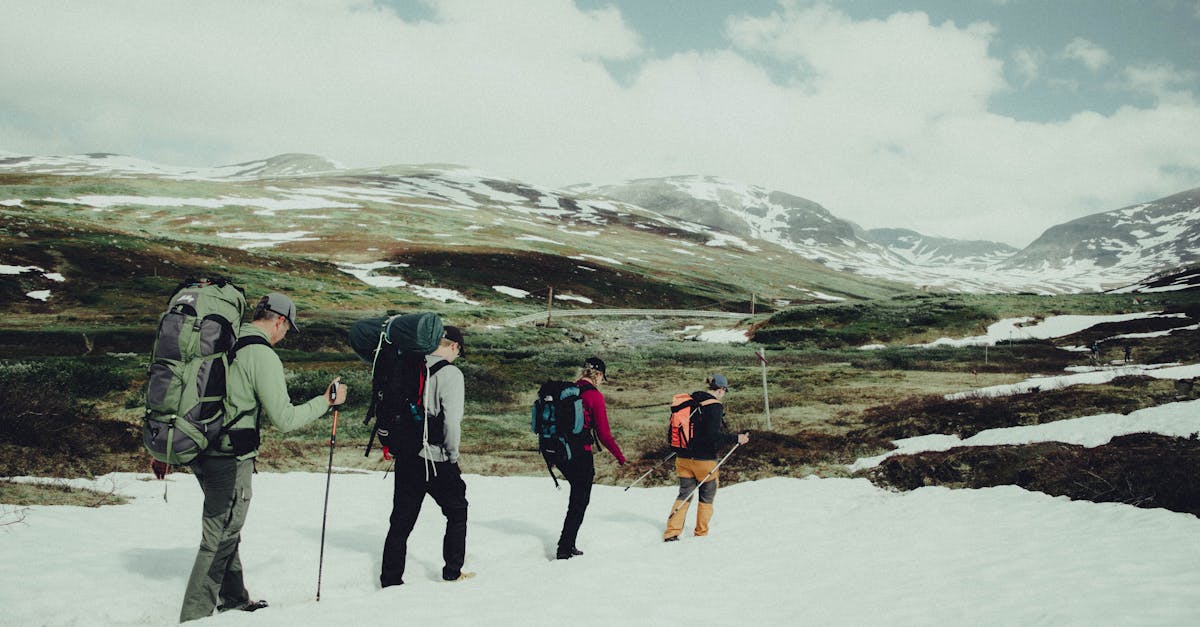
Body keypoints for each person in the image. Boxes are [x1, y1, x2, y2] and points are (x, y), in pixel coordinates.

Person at [180, 292, 347, 622]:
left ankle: (235, 599)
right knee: (219, 536)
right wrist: (325, 401)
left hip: (200, 448)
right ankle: (194, 617)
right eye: (288, 329)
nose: (285, 336)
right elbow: (284, 419)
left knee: (227, 527)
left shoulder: (222, 338)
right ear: (279, 321)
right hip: (230, 456)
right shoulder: (261, 354)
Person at [380, 326, 473, 586]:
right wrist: (452, 455)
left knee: (401, 521)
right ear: (453, 346)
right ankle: (453, 571)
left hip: (407, 454)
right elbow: (452, 422)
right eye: (459, 352)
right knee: (457, 511)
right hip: (435, 457)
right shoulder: (451, 373)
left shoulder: (409, 365)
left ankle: (390, 580)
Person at [551, 356, 626, 560]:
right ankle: (565, 548)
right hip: (580, 454)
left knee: (576, 499)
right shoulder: (594, 396)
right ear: (599, 375)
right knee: (579, 501)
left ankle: (567, 544)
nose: (602, 382)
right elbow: (604, 434)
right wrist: (620, 457)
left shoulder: (570, 390)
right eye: (603, 378)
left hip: (559, 452)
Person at [663, 373, 749, 542]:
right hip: (705, 461)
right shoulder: (715, 406)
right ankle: (701, 535)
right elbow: (712, 436)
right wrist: (736, 438)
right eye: (725, 391)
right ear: (721, 389)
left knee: (684, 494)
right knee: (706, 496)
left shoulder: (690, 400)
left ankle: (672, 532)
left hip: (683, 458)